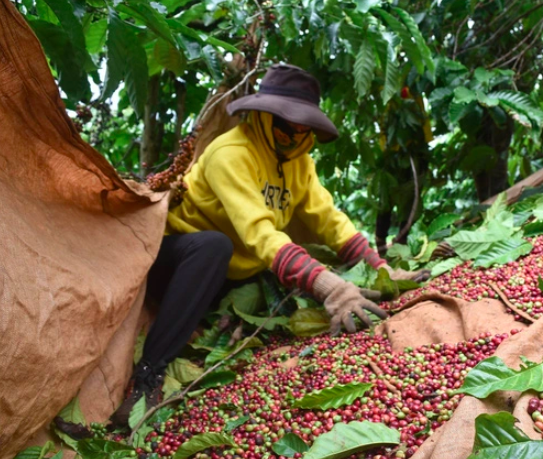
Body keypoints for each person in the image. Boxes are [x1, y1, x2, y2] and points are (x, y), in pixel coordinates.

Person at [110, 64, 430, 426]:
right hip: (180, 263)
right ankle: (148, 377)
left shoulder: (299, 162)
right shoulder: (229, 154)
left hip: (232, 276)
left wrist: (380, 268)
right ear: (262, 117)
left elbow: (328, 218)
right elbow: (259, 232)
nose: (292, 138)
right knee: (215, 246)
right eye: (283, 127)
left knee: (284, 287)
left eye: (301, 130)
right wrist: (331, 287)